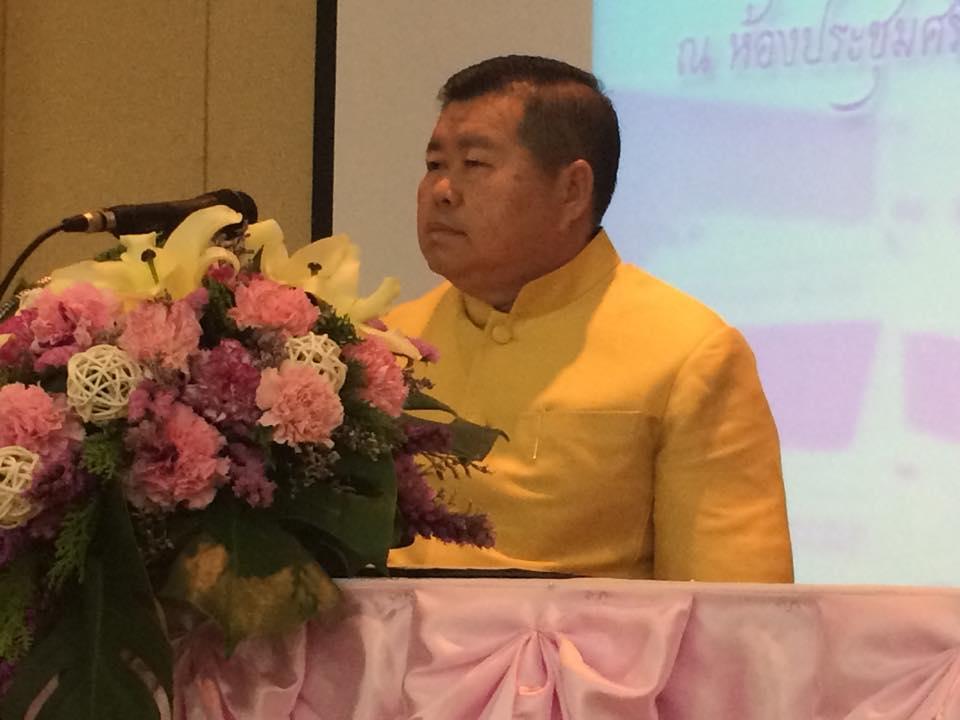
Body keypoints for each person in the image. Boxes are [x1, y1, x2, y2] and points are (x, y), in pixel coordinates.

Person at [386, 55, 793, 582]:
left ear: (572, 190)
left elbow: (735, 610)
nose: (442, 190)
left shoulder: (689, 353)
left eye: (475, 164)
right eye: (434, 164)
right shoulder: (388, 341)